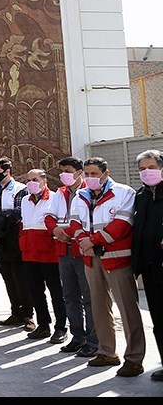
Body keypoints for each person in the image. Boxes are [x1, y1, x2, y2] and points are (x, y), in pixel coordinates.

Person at [67, 157, 145, 377]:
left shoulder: (124, 193)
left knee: (127, 309)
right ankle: (106, 351)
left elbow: (122, 224)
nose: (90, 178)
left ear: (105, 173)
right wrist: (84, 241)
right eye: (86, 174)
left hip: (117, 259)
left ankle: (134, 358)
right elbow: (74, 223)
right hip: (91, 258)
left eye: (94, 174)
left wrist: (93, 240)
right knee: (99, 306)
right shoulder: (80, 195)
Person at [47, 156, 98, 357]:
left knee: (89, 297)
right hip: (63, 249)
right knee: (70, 296)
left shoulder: (88, 192)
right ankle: (78, 337)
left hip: (83, 249)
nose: (63, 175)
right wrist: (55, 230)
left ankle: (93, 340)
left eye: (67, 170)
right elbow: (49, 217)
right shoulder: (60, 194)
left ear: (78, 172)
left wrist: (68, 231)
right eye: (62, 171)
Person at [0, 157, 34, 332]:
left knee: (20, 277)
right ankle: (16, 312)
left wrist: (3, 223)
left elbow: (20, 214)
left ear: (8, 171)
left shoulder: (21, 189)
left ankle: (28, 314)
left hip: (14, 236)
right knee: (8, 278)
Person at [20, 170, 67, 343]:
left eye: (35, 179)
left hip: (49, 253)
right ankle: (43, 325)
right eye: (28, 180)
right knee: (36, 292)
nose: (31, 183)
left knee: (56, 292)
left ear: (44, 180)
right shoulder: (26, 200)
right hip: (29, 253)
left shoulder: (55, 198)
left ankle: (61, 327)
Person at [132, 150, 163, 383]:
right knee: (159, 321)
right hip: (152, 270)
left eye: (151, 167)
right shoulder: (141, 196)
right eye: (142, 169)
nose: (147, 172)